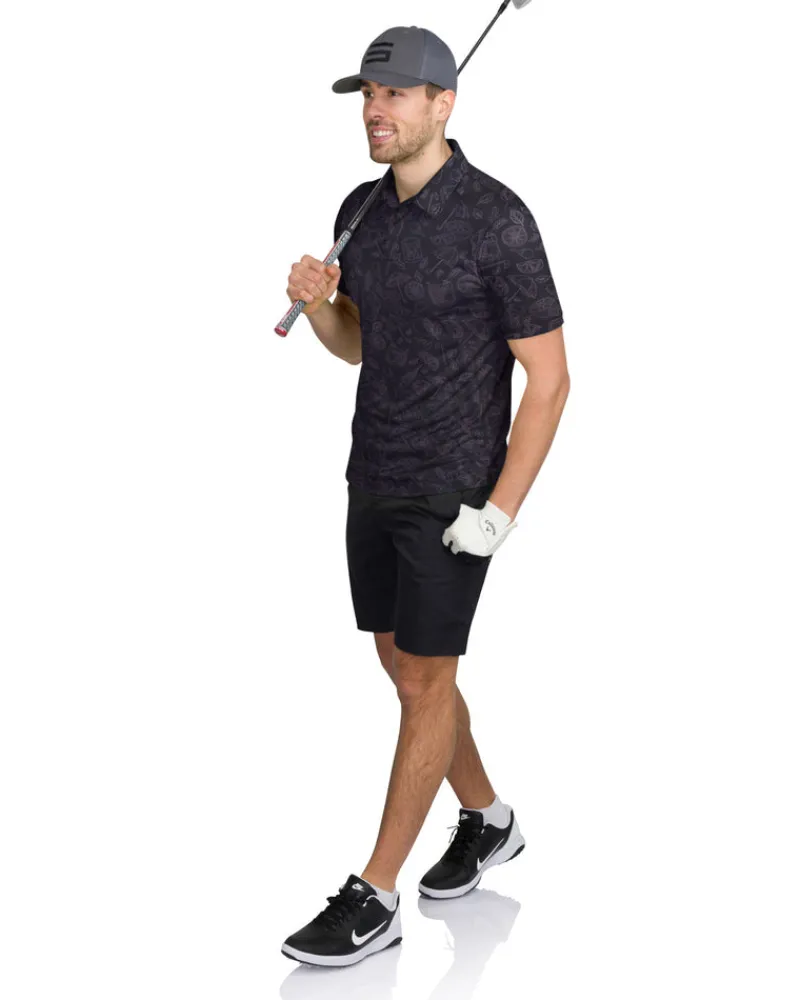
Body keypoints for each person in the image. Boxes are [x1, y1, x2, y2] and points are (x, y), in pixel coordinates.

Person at [280, 25, 569, 968]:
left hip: (455, 489)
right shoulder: (362, 208)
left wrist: (500, 512)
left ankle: (376, 894)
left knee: (425, 682)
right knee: (403, 666)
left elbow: (551, 378)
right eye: (368, 95)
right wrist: (321, 304)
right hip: (375, 471)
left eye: (396, 95)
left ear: (444, 104)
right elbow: (358, 345)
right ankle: (488, 818)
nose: (376, 111)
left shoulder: (497, 219)